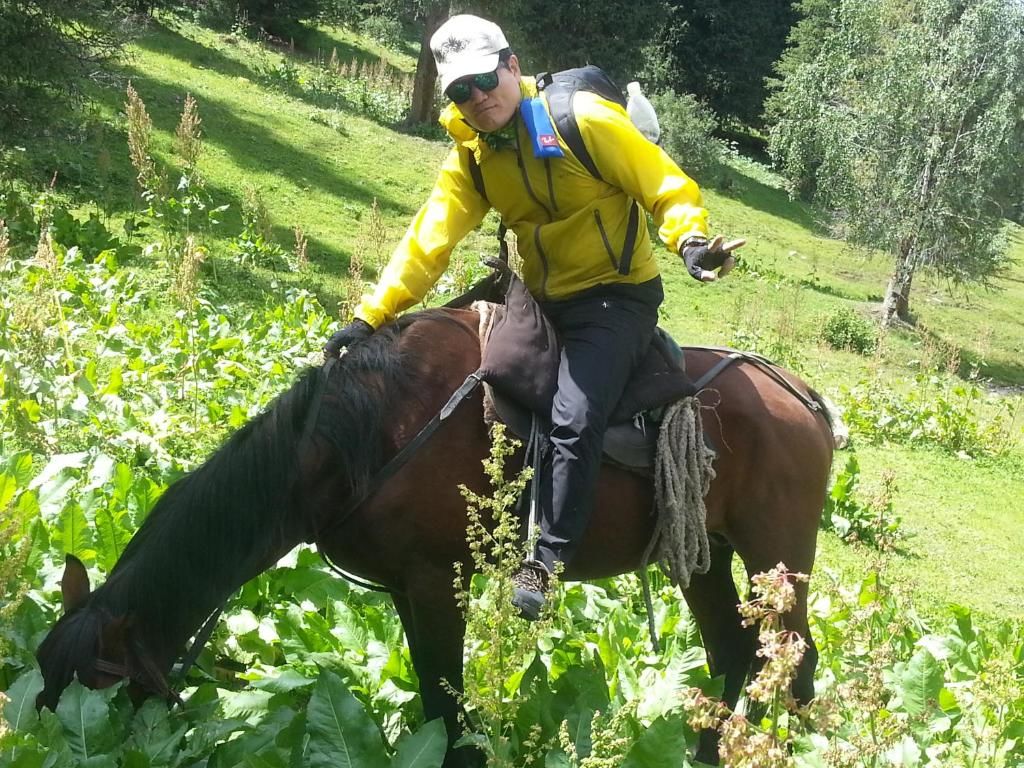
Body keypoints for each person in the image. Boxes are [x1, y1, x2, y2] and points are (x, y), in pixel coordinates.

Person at [324, 14, 743, 620]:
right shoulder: (471, 157)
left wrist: (692, 242)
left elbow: (661, 182)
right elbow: (428, 242)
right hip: (543, 298)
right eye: (459, 91)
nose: (477, 97)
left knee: (574, 414)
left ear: (512, 66)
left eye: (484, 79)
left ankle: (545, 560)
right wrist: (370, 318)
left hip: (615, 300)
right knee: (475, 382)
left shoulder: (583, 121)